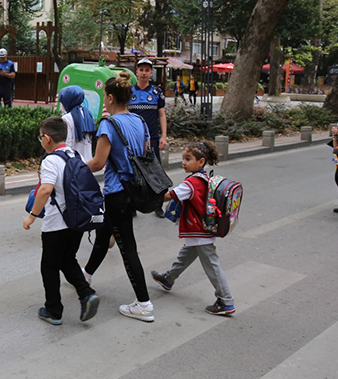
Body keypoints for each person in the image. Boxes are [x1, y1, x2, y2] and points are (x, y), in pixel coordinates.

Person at [82, 71, 155, 322]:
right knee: (104, 235)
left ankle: (144, 304)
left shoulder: (108, 124)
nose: (104, 100)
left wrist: (74, 167)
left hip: (117, 193)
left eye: (104, 96)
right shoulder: (140, 122)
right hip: (135, 190)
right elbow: (145, 153)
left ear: (111, 97)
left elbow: (99, 163)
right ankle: (86, 275)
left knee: (128, 248)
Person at [23, 117, 100, 325]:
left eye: (41, 137)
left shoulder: (50, 160)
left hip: (56, 223)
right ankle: (86, 294)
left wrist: (32, 216)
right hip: (76, 221)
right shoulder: (74, 154)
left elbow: (46, 189)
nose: (40, 141)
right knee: (67, 259)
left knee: (49, 266)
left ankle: (53, 310)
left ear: (47, 138)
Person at [150, 141, 236, 316]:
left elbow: (171, 195)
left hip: (198, 230)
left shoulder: (192, 182)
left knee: (212, 265)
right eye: (183, 158)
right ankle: (168, 279)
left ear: (201, 161)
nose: (184, 162)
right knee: (184, 256)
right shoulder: (204, 178)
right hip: (199, 230)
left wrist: (148, 200)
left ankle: (226, 301)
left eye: (188, 159)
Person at [128, 58, 168, 218]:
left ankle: (158, 205)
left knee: (155, 172)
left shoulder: (157, 93)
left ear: (151, 73)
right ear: (136, 72)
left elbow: (162, 115)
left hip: (152, 138)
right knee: (132, 172)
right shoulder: (129, 92)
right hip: (132, 140)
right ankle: (132, 204)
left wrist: (164, 136)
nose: (144, 73)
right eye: (141, 70)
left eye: (147, 70)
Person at [60, 85, 95, 163]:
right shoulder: (88, 114)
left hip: (74, 164)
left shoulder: (67, 118)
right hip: (88, 162)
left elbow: (67, 143)